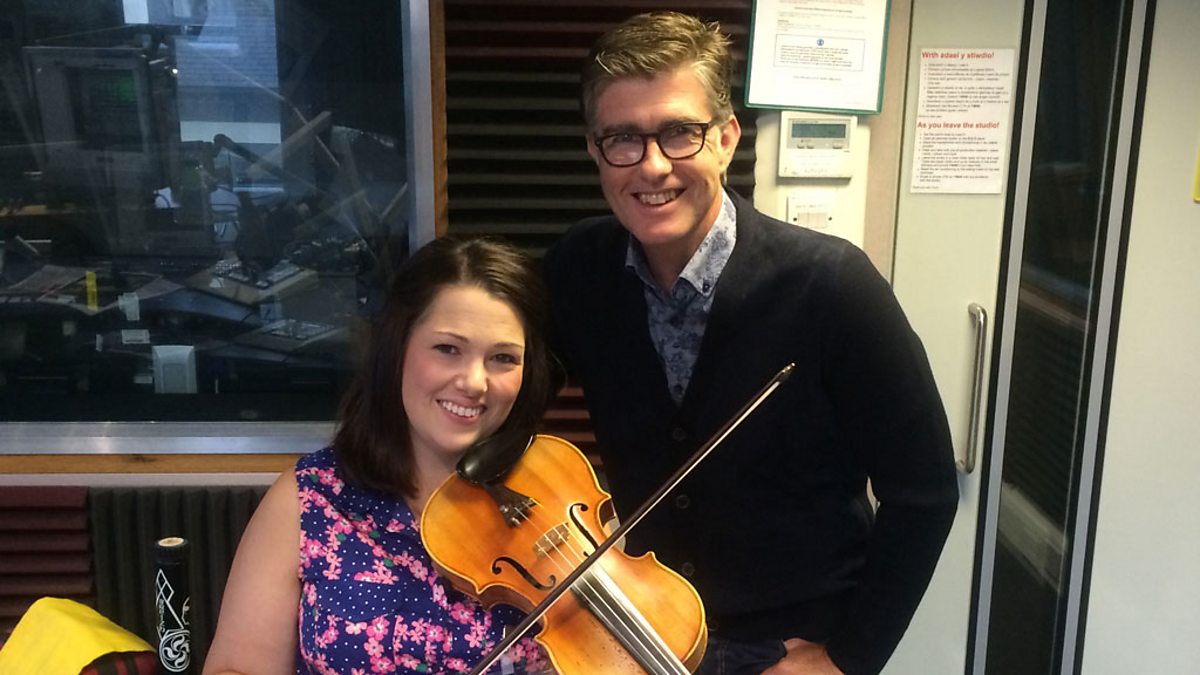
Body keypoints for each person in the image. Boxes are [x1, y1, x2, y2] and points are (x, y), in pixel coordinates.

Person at [543, 12, 959, 675]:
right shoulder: (578, 268)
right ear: (596, 150)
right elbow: (503, 388)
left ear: (726, 138)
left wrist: (850, 656)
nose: (653, 165)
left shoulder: (832, 284)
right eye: (623, 138)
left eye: (679, 132)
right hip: (639, 628)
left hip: (790, 646)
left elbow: (925, 492)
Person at [204, 236, 554, 675]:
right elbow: (236, 667)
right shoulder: (311, 498)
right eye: (448, 349)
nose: (474, 382)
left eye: (503, 358)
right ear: (397, 348)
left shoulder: (552, 501)